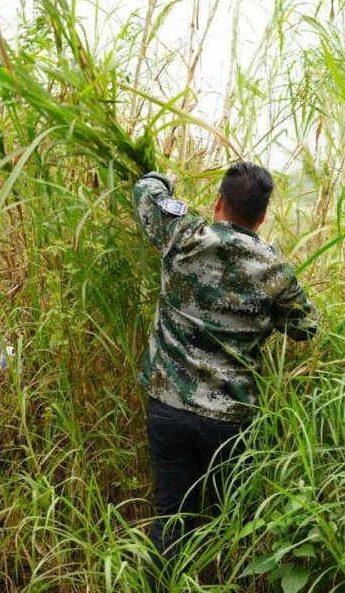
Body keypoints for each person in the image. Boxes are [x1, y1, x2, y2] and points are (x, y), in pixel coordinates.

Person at [132, 161, 318, 591]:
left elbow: (146, 192)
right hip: (230, 420)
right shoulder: (275, 269)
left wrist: (163, 178)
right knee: (228, 520)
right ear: (263, 216)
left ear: (218, 201)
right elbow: (305, 328)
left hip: (170, 408)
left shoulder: (184, 236)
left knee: (171, 517)